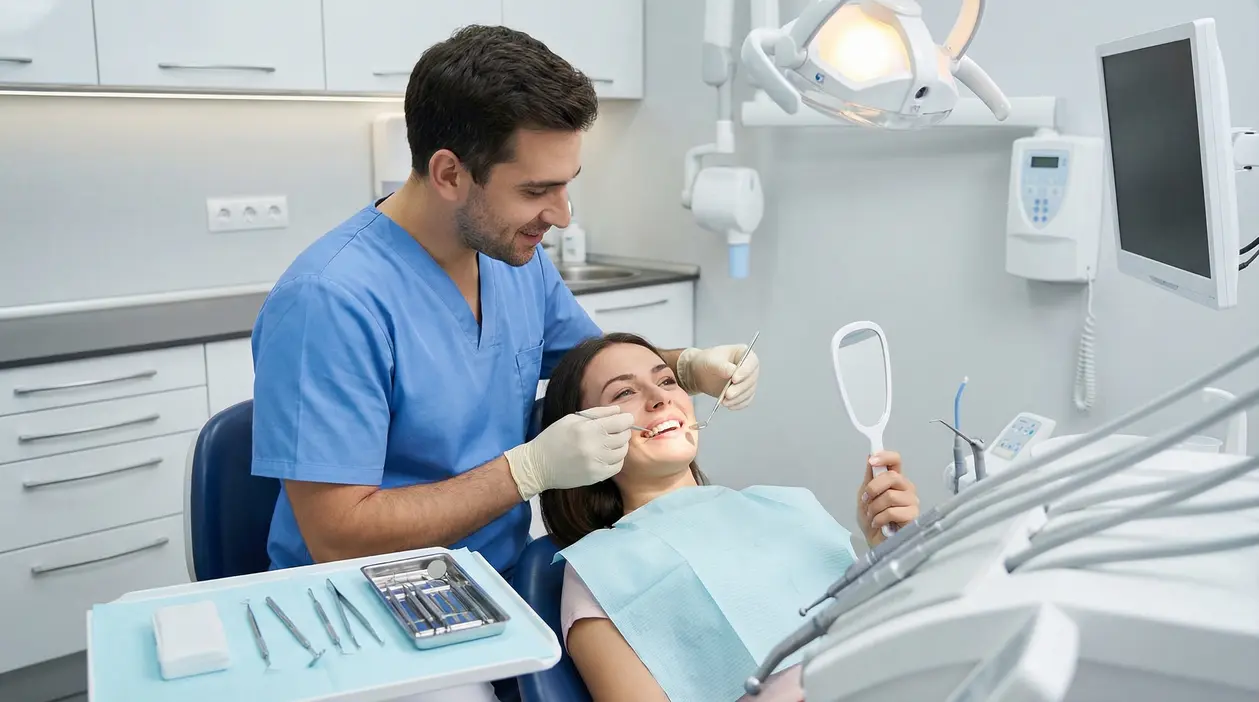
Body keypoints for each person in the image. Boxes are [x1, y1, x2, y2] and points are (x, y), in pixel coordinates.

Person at [249, 25, 762, 580]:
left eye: (567, 185)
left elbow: (587, 363)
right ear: (450, 174)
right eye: (536, 191)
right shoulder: (329, 303)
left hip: (499, 575)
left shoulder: (513, 257)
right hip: (365, 597)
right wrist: (525, 472)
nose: (562, 215)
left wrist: (685, 366)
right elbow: (337, 537)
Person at [538, 333, 920, 702]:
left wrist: (889, 550)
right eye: (624, 392)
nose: (660, 399)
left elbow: (890, 627)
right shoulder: (600, 573)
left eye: (668, 380)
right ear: (579, 440)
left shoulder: (784, 506)